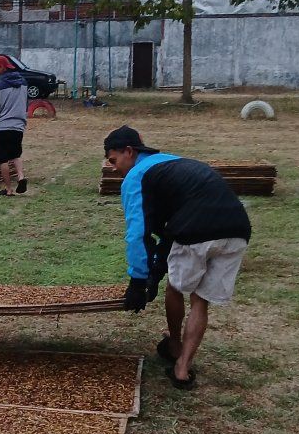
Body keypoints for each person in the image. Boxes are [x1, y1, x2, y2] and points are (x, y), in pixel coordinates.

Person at [104, 125, 252, 390]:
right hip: (237, 230)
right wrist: (155, 270)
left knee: (176, 287)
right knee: (200, 300)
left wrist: (138, 282)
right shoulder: (172, 162)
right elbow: (166, 234)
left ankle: (174, 343)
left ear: (129, 151)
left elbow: (138, 233)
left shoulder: (137, 175)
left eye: (114, 160)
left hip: (198, 229)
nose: (114, 168)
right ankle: (182, 369)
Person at [0, 54, 28, 196]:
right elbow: (25, 103)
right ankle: (21, 176)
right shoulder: (24, 82)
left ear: (2, 67)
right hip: (19, 126)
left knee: (2, 159)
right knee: (16, 154)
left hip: (3, 126)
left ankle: (8, 189)